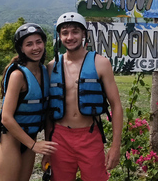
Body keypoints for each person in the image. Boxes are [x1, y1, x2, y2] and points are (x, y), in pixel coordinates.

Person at [43, 12, 123, 181]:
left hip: (90, 136)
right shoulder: (52, 67)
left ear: (84, 34)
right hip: (59, 138)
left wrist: (116, 146)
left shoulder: (101, 63)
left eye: (75, 32)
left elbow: (116, 105)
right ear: (59, 37)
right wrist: (47, 148)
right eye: (65, 33)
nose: (70, 37)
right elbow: (49, 110)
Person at [0, 23, 58, 181]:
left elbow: (48, 114)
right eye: (29, 44)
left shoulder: (45, 71)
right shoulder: (18, 75)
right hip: (11, 140)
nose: (35, 47)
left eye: (39, 42)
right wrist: (34, 145)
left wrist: (43, 148)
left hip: (30, 138)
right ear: (21, 49)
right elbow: (6, 118)